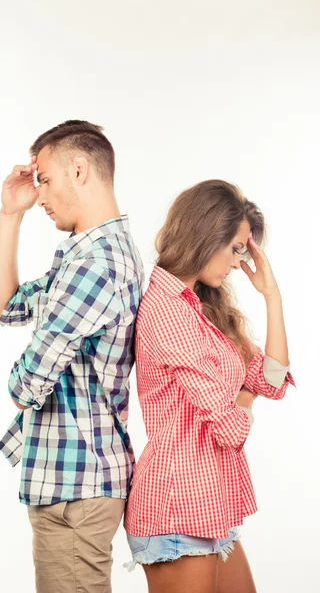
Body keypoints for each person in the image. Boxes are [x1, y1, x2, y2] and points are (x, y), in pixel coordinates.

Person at [0, 120, 144, 593]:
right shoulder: (88, 257)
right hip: (73, 479)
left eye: (46, 179)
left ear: (79, 170)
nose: (40, 196)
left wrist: (23, 377)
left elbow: (25, 385)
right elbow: (3, 306)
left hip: (76, 483)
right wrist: (9, 215)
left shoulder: (97, 266)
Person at [124, 179, 295, 593]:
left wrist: (272, 296)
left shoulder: (201, 307)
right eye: (235, 249)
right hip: (176, 506)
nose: (240, 262)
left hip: (208, 504)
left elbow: (271, 382)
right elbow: (230, 428)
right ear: (205, 236)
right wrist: (244, 394)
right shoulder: (167, 311)